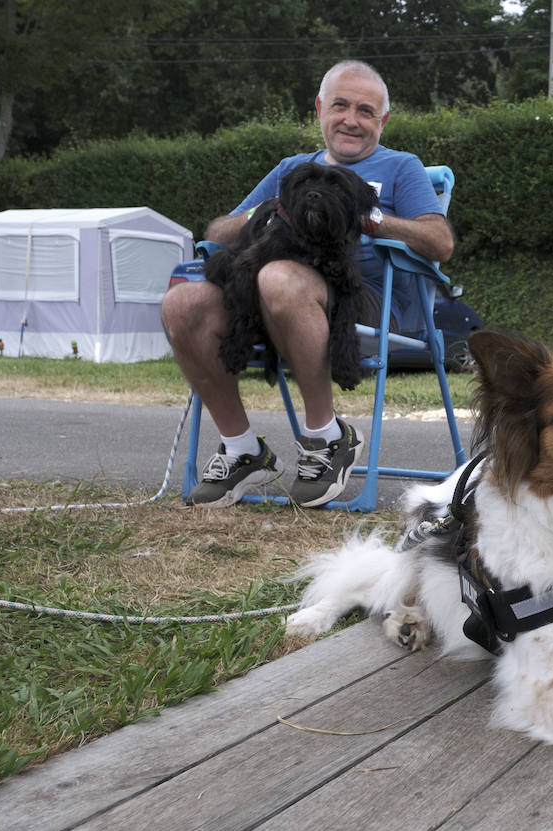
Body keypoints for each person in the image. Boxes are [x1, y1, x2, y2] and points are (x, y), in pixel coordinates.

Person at [161, 59, 455, 508]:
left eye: (365, 111)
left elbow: (440, 241)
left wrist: (372, 219)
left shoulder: (401, 167)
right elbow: (218, 231)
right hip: (271, 302)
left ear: (383, 121)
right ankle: (242, 450)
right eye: (340, 106)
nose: (351, 120)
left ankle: (325, 439)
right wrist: (269, 211)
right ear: (320, 108)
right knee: (183, 302)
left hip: (367, 301)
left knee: (278, 277)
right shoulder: (292, 169)